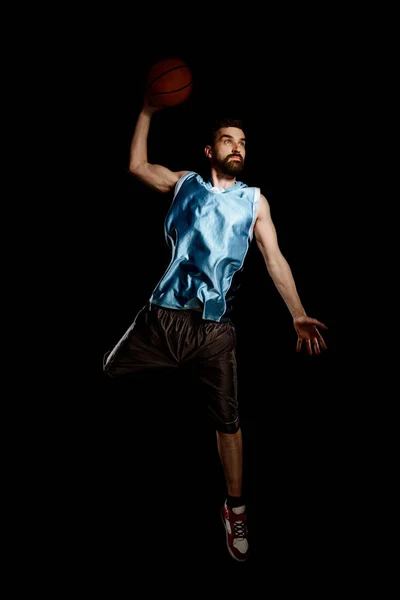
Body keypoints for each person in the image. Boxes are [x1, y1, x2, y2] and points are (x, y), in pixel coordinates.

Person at [103, 95, 328, 562]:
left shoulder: (254, 202)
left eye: (242, 142)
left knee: (230, 424)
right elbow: (137, 165)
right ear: (210, 151)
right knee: (109, 372)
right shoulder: (185, 183)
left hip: (213, 329)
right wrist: (147, 110)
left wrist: (297, 312)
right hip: (161, 317)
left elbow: (275, 260)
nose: (237, 148)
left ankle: (235, 509)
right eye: (228, 141)